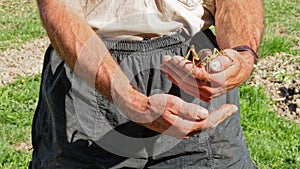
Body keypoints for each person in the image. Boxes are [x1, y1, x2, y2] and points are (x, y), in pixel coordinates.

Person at [30, 0, 263, 168]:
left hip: (192, 61)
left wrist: (243, 53)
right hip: (90, 66)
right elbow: (59, 7)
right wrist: (128, 97)